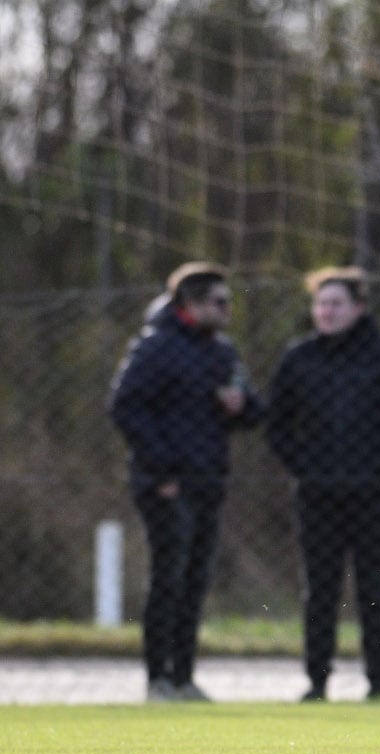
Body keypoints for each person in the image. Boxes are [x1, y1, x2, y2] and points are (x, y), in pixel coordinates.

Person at [265, 267, 380, 703]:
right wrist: (304, 467)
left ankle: (377, 681)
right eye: (321, 304)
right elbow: (276, 425)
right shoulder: (299, 358)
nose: (327, 311)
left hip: (377, 494)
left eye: (336, 303)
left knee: (373, 586)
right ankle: (316, 681)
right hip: (317, 495)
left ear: (357, 307)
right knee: (320, 589)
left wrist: (378, 463)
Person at [109, 261, 264, 702]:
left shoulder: (221, 351)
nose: (228, 308)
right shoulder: (155, 347)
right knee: (168, 579)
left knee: (195, 581)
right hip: (166, 484)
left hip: (207, 482)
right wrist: (161, 472)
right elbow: (125, 407)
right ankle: (158, 678)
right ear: (190, 304)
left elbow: (253, 411)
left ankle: (184, 677)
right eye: (220, 301)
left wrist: (240, 406)